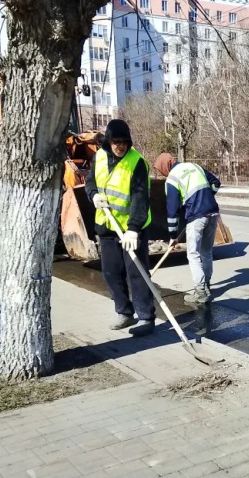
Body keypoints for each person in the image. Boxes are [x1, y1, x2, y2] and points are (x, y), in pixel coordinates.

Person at [85, 120, 155, 336]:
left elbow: (140, 198)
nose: (120, 146)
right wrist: (93, 195)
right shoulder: (99, 157)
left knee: (137, 273)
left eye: (124, 142)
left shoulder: (137, 162)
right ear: (108, 141)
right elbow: (90, 182)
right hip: (107, 227)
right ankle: (124, 312)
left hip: (131, 230)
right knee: (111, 273)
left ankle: (146, 317)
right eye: (116, 142)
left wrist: (133, 229)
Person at [154, 153, 221, 304]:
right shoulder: (194, 166)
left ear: (165, 166)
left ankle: (200, 292)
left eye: (160, 169)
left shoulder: (172, 179)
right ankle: (206, 285)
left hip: (196, 217)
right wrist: (207, 198)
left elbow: (172, 211)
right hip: (213, 213)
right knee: (206, 252)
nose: (162, 173)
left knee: (193, 254)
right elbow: (216, 183)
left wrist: (173, 236)